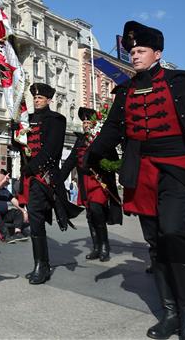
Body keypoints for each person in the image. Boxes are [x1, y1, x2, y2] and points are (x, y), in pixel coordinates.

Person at [85, 20, 185, 340]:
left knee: (175, 233)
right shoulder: (125, 91)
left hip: (177, 168)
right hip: (140, 171)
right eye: (131, 51)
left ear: (157, 53)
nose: (134, 56)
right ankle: (170, 314)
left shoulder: (184, 83)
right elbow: (112, 129)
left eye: (141, 51)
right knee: (156, 244)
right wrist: (93, 154)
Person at [13, 82, 81, 285]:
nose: (36, 100)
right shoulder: (28, 119)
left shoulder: (56, 120)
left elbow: (52, 150)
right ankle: (40, 263)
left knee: (35, 217)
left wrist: (32, 168)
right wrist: (14, 131)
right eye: (34, 98)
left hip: (44, 177)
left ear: (49, 100)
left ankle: (42, 266)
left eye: (40, 98)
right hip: (29, 176)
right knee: (34, 220)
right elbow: (18, 146)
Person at [63, 107, 121, 263]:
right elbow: (71, 160)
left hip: (98, 181)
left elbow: (114, 159)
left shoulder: (102, 138)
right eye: (84, 122)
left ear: (95, 123)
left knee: (96, 210)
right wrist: (59, 177)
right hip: (84, 183)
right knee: (90, 214)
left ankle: (104, 246)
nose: (86, 124)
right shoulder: (80, 139)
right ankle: (96, 247)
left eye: (89, 121)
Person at [0, 170, 29, 243]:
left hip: (2, 215)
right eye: (5, 183)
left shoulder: (4, 190)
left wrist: (24, 211)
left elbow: (14, 201)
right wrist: (2, 182)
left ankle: (18, 233)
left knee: (17, 212)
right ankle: (5, 236)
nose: (6, 184)